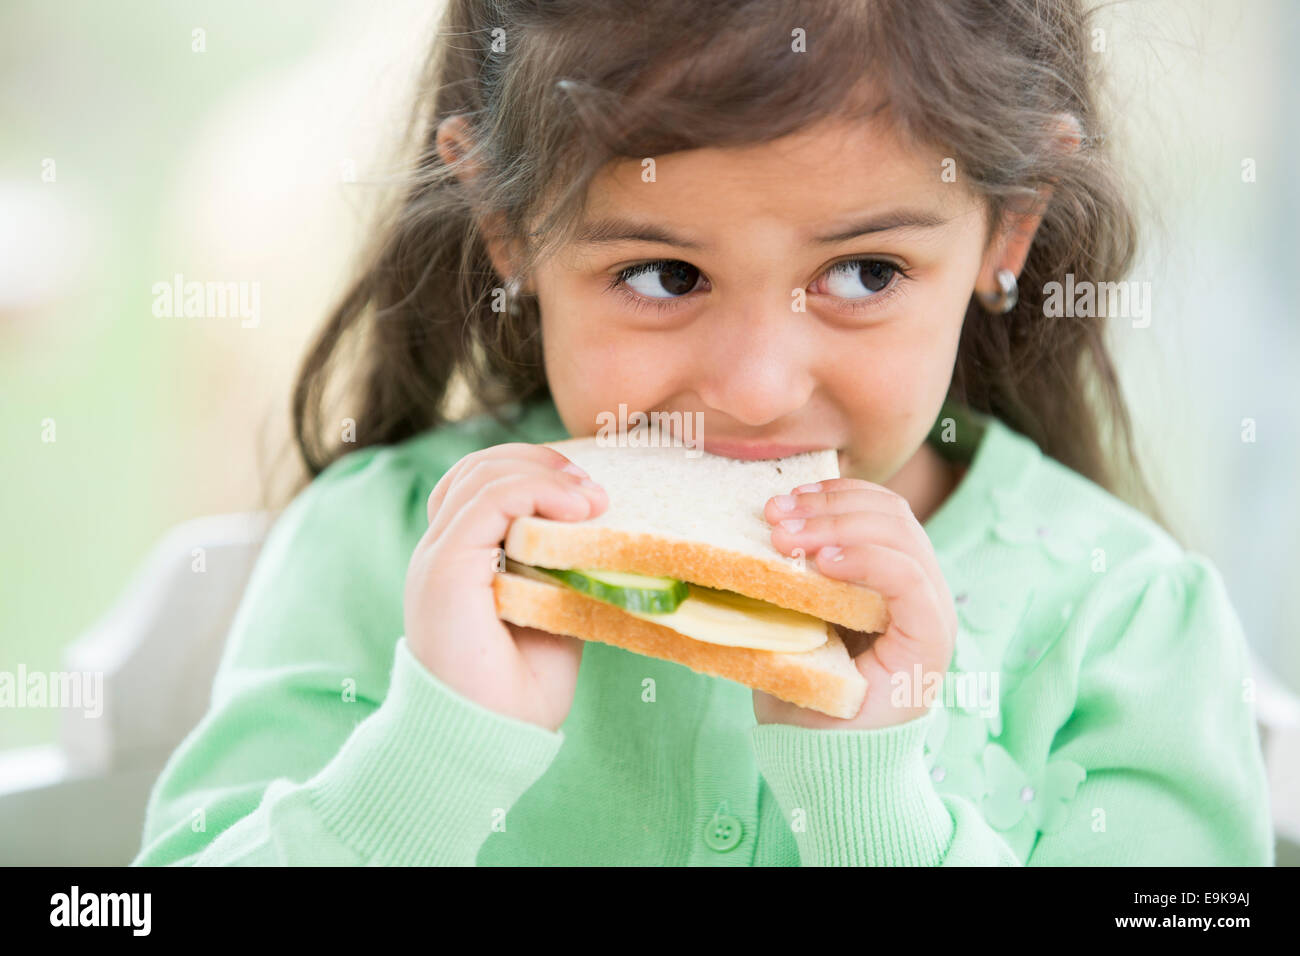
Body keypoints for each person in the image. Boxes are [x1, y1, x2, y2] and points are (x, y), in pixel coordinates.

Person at [133, 0, 1273, 866]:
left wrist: (866, 790)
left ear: (1007, 232)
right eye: (663, 273)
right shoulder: (381, 550)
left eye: (865, 272)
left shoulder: (1125, 619)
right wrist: (438, 746)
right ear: (505, 227)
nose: (756, 386)